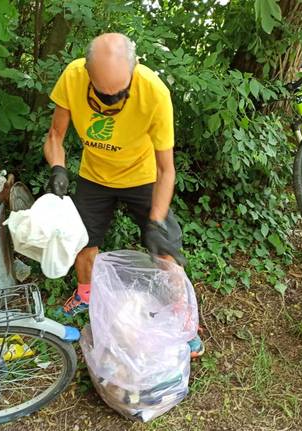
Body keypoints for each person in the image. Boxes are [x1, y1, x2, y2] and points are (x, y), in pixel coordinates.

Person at [43, 33, 203, 357]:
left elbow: (166, 170)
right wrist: (58, 168)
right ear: (88, 73)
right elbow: (55, 135)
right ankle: (85, 294)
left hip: (142, 176)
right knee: (82, 241)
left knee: (166, 250)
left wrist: (156, 222)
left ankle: (183, 320)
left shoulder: (154, 92)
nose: (109, 103)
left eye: (118, 95)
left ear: (134, 70)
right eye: (103, 95)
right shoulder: (73, 76)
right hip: (94, 174)